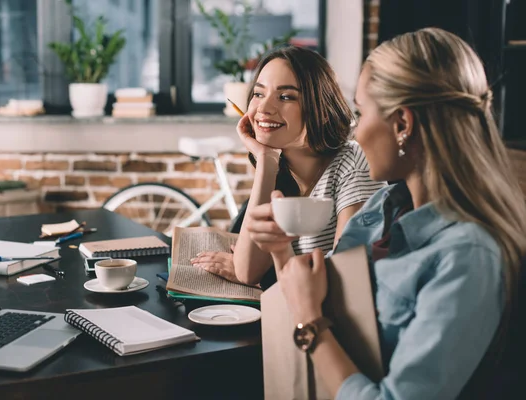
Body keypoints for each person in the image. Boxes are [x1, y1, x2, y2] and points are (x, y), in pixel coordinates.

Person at [247, 27, 526, 399]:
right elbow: (314, 295)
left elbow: (314, 314)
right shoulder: (382, 208)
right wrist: (281, 252)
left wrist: (311, 325)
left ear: (403, 124)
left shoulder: (468, 255)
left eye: (360, 114)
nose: (356, 133)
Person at [190, 46, 386, 287]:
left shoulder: (354, 164)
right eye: (259, 94)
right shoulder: (278, 166)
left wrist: (268, 274)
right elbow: (247, 272)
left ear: (321, 110)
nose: (263, 109)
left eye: (285, 97)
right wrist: (266, 160)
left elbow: (345, 278)